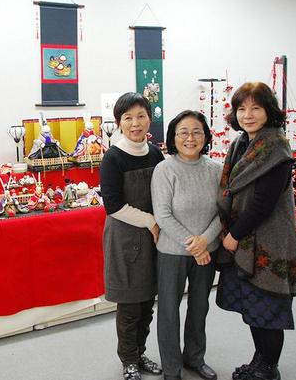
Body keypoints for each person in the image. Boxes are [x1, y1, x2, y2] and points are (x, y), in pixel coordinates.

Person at [216, 82, 296, 380]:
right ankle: (259, 359)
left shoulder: (276, 147)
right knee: (253, 306)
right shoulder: (241, 143)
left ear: (269, 111)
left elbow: (263, 203)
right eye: (242, 108)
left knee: (269, 305)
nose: (248, 115)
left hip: (268, 239)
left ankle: (269, 368)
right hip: (245, 237)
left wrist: (234, 235)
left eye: (256, 108)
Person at [150, 111, 222, 380]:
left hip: (207, 252)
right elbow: (162, 215)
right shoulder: (164, 169)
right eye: (183, 132)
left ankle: (194, 358)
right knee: (169, 311)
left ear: (205, 136)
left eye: (196, 132)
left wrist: (204, 242)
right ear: (173, 137)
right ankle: (171, 369)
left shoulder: (216, 169)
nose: (190, 138)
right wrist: (195, 245)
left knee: (199, 308)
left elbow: (223, 212)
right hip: (172, 253)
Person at [100, 92, 164, 380]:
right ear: (119, 123)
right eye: (128, 118)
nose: (135, 123)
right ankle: (128, 360)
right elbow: (113, 206)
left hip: (152, 239)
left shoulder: (156, 154)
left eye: (141, 116)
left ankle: (139, 353)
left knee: (147, 303)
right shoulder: (112, 157)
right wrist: (151, 221)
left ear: (149, 119)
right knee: (130, 305)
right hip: (125, 238)